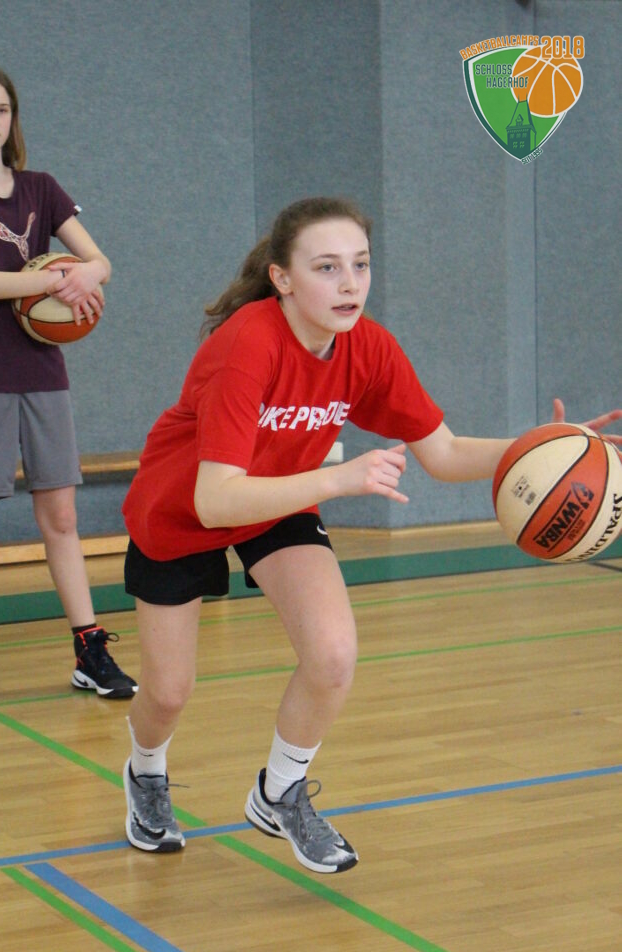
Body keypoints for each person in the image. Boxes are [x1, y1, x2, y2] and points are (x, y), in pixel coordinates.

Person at [121, 195, 621, 874]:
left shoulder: (368, 347)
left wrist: (547, 449)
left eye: (359, 264)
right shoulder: (246, 346)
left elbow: (443, 453)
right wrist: (338, 479)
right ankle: (146, 770)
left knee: (332, 655)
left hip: (279, 502)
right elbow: (215, 500)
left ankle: (279, 792)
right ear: (282, 278)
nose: (349, 283)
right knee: (167, 693)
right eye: (326, 267)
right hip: (183, 509)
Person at [0, 64, 136, 710]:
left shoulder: (41, 189)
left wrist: (88, 275)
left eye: (2, 109)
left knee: (62, 516)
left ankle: (89, 651)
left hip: (43, 372)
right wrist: (58, 281)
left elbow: (101, 261)